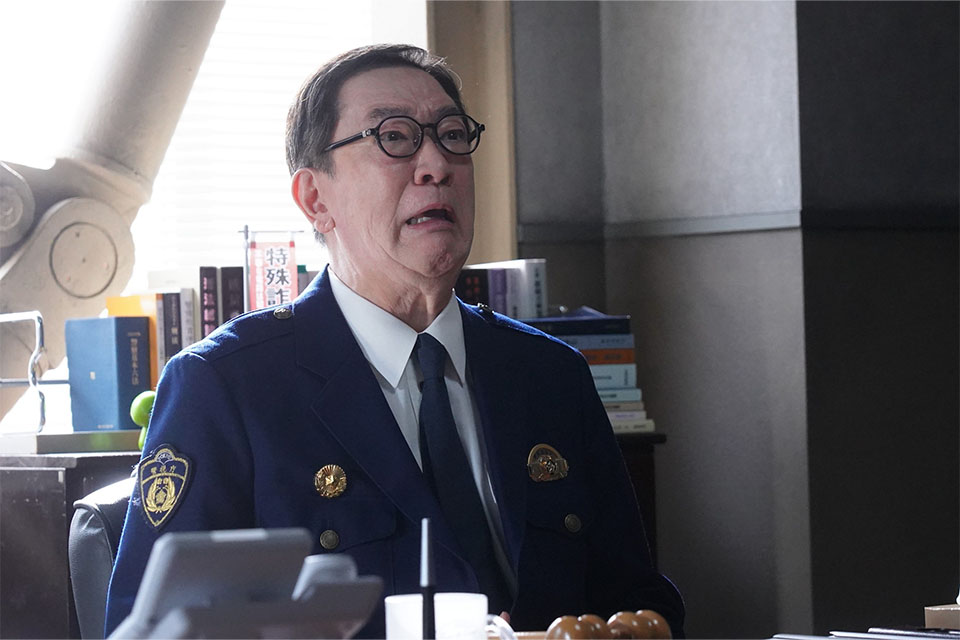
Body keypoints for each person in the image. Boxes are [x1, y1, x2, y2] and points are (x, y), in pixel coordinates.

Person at [104, 44, 684, 638]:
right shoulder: (228, 386)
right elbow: (149, 630)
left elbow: (639, 605)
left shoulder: (550, 374)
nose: (437, 164)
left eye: (452, 135)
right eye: (394, 138)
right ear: (315, 199)